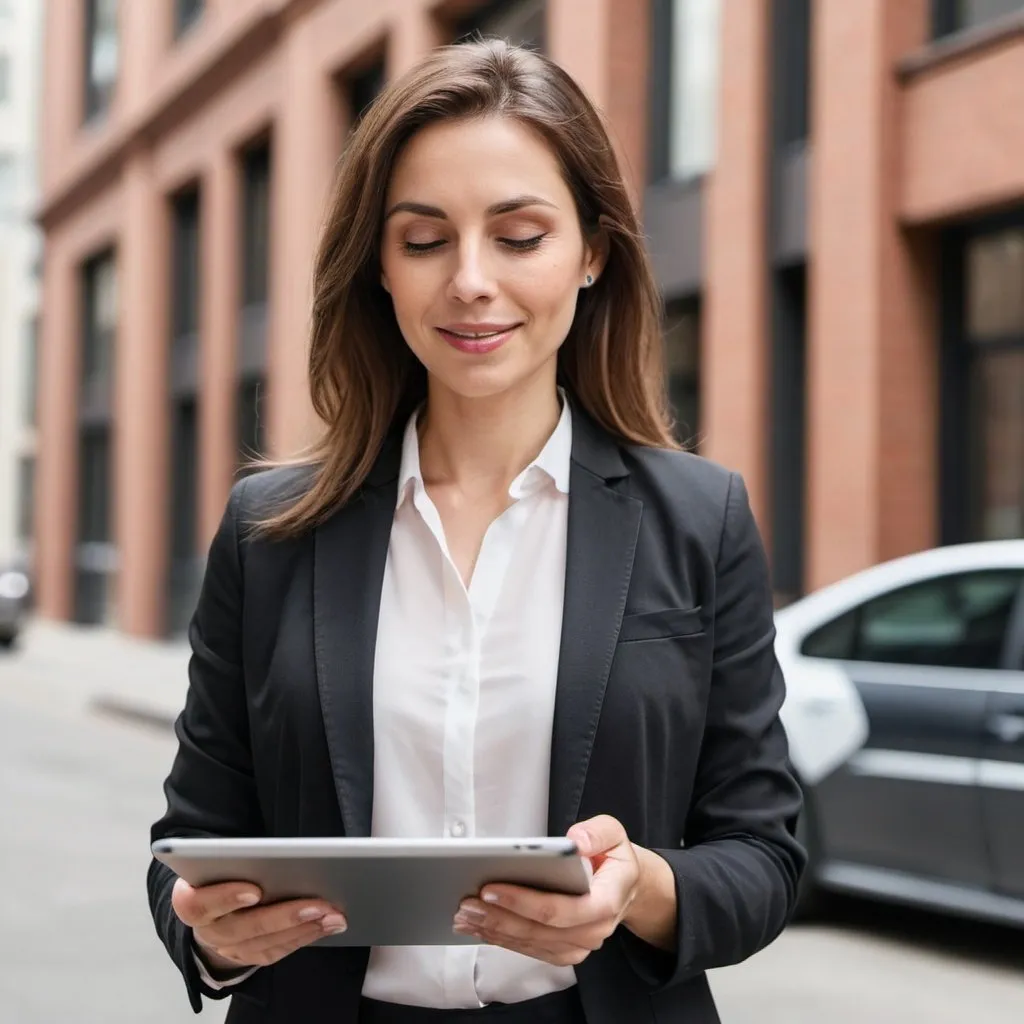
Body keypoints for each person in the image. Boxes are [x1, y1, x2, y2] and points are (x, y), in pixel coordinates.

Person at [148, 38, 805, 1024]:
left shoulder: (697, 520)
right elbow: (189, 844)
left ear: (591, 251)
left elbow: (762, 856)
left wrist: (638, 887)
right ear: (378, 265)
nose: (469, 281)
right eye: (423, 239)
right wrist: (208, 930)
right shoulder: (269, 530)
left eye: (518, 235)